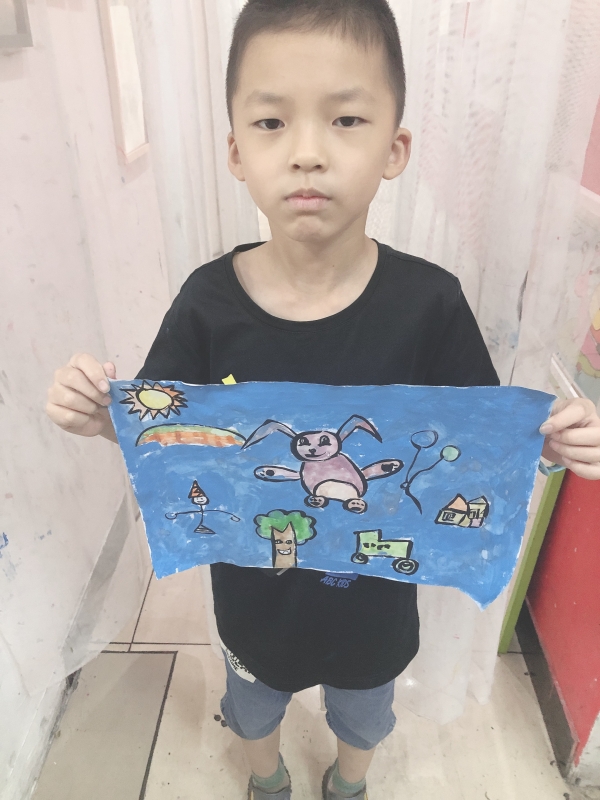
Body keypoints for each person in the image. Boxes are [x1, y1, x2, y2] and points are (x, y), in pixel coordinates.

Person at [45, 1, 600, 798]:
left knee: (365, 716)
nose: (307, 152)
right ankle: (267, 780)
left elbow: (477, 442)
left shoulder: (430, 304)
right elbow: (165, 433)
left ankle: (349, 784)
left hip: (375, 604)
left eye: (345, 119)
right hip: (253, 601)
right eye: (272, 122)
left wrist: (544, 444)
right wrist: (106, 417)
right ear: (236, 152)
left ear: (394, 149)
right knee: (253, 708)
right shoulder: (206, 304)